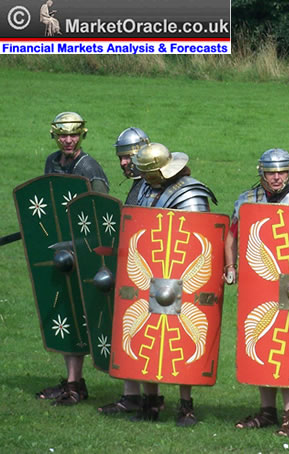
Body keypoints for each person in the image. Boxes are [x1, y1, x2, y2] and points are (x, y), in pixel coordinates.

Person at [227, 148, 289, 437]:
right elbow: (232, 234)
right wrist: (231, 265)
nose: (277, 177)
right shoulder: (247, 200)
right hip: (261, 284)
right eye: (271, 173)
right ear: (262, 173)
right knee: (262, 343)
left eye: (281, 172)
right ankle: (267, 411)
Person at [130, 142, 217, 426]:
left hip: (183, 280)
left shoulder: (190, 192)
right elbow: (135, 230)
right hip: (147, 275)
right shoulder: (144, 190)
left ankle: (186, 405)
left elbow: (198, 239)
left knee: (183, 340)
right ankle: (150, 400)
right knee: (146, 338)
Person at [36, 111, 109, 405]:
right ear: (55, 135)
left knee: (79, 314)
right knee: (64, 312)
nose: (68, 140)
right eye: (63, 135)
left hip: (83, 253)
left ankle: (75, 385)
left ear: (82, 135)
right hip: (59, 251)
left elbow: (102, 212)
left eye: (73, 135)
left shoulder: (89, 168)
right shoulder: (52, 162)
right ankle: (72, 381)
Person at [97, 127, 166, 416]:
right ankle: (132, 395)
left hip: (150, 271)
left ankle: (148, 397)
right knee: (129, 330)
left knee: (144, 333)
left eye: (129, 157)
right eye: (121, 158)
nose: (124, 163)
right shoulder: (139, 186)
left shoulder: (154, 185)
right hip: (133, 270)